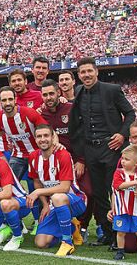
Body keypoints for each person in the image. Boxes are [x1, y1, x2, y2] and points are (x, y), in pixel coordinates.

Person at [68, 57, 135, 247]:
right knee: (97, 193)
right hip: (90, 149)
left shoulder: (112, 90)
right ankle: (106, 232)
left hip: (111, 147)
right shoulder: (78, 91)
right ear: (79, 76)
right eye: (83, 72)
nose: (86, 75)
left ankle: (118, 234)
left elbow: (130, 113)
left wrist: (122, 135)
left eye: (89, 71)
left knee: (113, 189)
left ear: (96, 72)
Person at [41, 79, 94, 239]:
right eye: (45, 95)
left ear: (59, 93)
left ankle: (82, 226)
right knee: (53, 193)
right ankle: (61, 224)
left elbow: (84, 135)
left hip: (76, 159)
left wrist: (82, 160)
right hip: (54, 163)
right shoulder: (41, 114)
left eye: (51, 93)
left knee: (89, 193)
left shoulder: (71, 109)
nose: (49, 97)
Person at [28, 125, 87, 257]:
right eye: (39, 136)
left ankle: (67, 242)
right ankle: (72, 227)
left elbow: (65, 188)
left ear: (52, 137)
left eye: (46, 136)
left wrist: (38, 193)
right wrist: (44, 204)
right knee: (41, 243)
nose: (43, 139)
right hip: (53, 203)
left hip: (75, 200)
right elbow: (37, 182)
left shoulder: (63, 155)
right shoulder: (33, 157)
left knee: (58, 197)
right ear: (35, 139)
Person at [111, 145, 137, 261]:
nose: (123, 161)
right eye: (122, 158)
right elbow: (119, 185)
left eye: (127, 159)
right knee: (121, 232)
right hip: (121, 210)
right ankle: (120, 251)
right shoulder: (119, 173)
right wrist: (136, 183)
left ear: (136, 162)